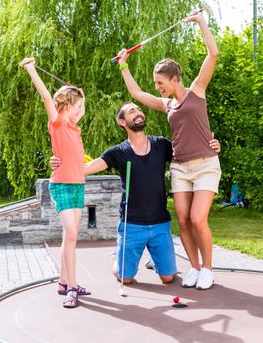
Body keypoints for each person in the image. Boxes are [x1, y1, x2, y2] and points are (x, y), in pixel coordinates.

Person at [51, 102, 220, 285]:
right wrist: (61, 163)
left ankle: (154, 259)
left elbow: (189, 154)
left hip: (160, 224)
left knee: (168, 278)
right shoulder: (118, 152)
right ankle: (117, 259)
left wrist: (211, 146)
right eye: (132, 111)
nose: (138, 112)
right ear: (122, 122)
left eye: (139, 109)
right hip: (131, 225)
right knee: (126, 278)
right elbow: (87, 168)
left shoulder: (161, 144)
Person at [116, 8, 220, 289]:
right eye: (155, 84)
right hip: (180, 167)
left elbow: (213, 55)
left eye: (160, 83)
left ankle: (208, 268)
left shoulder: (197, 90)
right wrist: (124, 64)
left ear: (174, 79)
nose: (157, 87)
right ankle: (195, 269)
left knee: (199, 219)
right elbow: (137, 94)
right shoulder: (167, 104)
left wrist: (200, 22)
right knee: (184, 221)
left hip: (205, 164)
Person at [19, 57, 90, 308]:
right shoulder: (58, 122)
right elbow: (48, 98)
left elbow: (77, 104)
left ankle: (63, 282)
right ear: (66, 105)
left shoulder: (75, 128)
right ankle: (72, 287)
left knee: (69, 237)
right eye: (78, 106)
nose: (82, 110)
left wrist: (79, 94)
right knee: (71, 234)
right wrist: (32, 69)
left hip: (78, 185)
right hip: (61, 185)